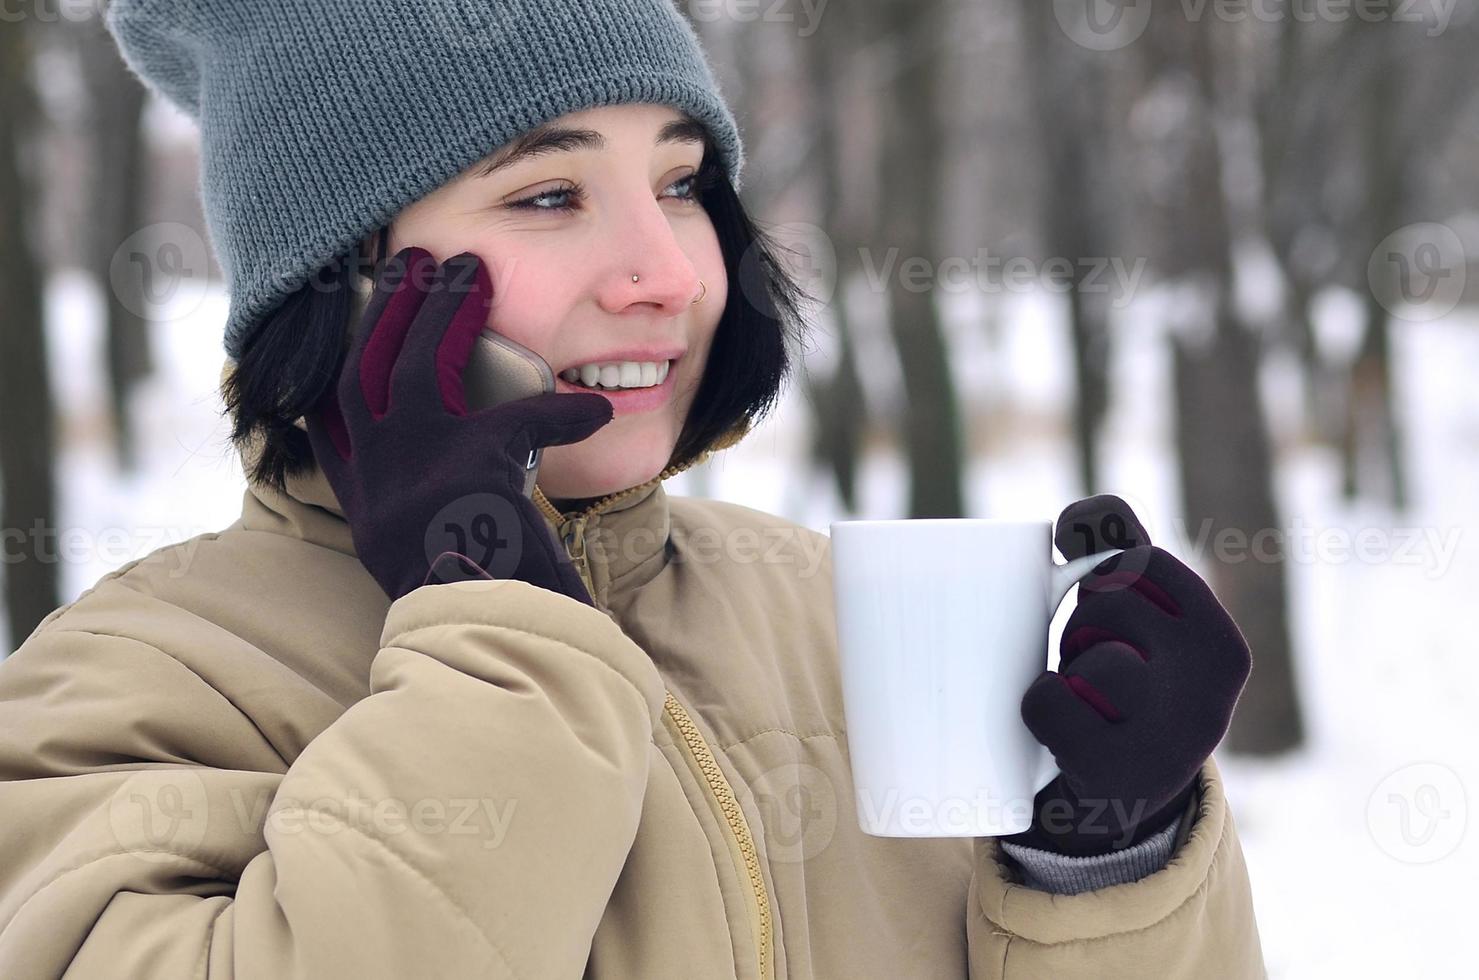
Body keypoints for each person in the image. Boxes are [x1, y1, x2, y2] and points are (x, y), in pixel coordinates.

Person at [0, 1, 1265, 976]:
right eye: (550, 194)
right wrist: (493, 621)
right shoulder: (130, 692)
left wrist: (1110, 858)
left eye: (678, 185)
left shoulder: (829, 614)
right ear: (343, 283)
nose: (667, 271)